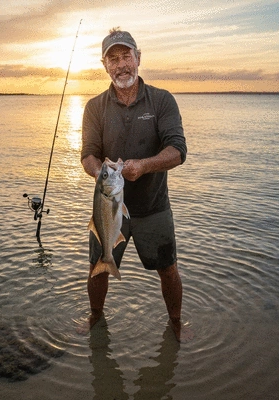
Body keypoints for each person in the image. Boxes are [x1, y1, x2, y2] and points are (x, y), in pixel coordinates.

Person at [80, 28, 189, 341]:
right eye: (113, 59)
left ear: (138, 58)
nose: (121, 64)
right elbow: (88, 155)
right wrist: (103, 173)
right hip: (106, 204)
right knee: (98, 265)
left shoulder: (162, 100)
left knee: (167, 268)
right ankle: (95, 317)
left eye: (126, 55)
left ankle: (176, 325)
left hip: (153, 206)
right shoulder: (94, 107)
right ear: (105, 65)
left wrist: (144, 166)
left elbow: (177, 150)